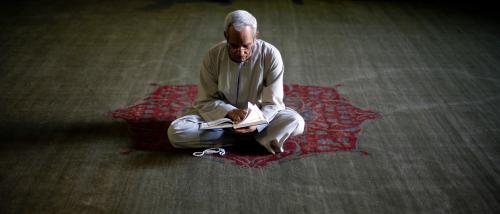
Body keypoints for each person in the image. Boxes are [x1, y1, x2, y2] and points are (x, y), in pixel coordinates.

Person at [167, 10, 304, 154]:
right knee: (177, 131)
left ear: (256, 36)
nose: (240, 52)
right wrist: (230, 112)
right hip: (221, 121)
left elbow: (273, 103)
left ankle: (240, 136)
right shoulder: (213, 56)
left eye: (246, 46)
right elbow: (205, 101)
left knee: (296, 122)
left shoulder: (270, 55)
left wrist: (257, 124)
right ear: (226, 36)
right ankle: (249, 139)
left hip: (259, 118)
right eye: (234, 45)